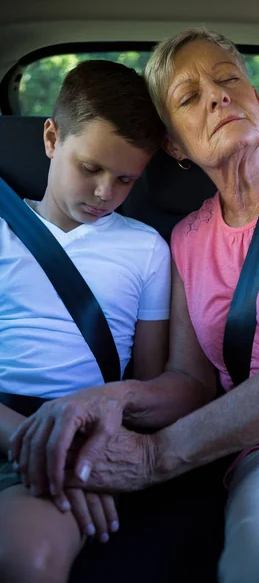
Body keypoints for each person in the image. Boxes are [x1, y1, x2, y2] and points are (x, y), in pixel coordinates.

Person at [10, 28, 259, 583]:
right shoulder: (187, 241)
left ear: (257, 101)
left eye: (228, 79)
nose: (218, 96)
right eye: (189, 97)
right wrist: (113, 401)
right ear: (174, 146)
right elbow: (188, 382)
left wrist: (154, 456)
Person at [0, 60, 171, 583]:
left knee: (25, 558)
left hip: (70, 444)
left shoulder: (146, 250)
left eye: (125, 179)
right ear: (52, 138)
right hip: (22, 430)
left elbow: (149, 386)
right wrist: (39, 444)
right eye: (89, 167)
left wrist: (79, 457)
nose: (104, 193)